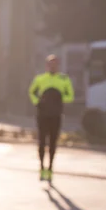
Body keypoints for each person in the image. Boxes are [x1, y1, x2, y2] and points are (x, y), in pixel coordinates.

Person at [28, 54, 74, 183]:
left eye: (55, 64)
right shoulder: (40, 79)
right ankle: (42, 168)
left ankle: (50, 168)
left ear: (58, 66)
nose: (52, 66)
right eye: (50, 64)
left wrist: (59, 100)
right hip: (42, 115)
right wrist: (38, 102)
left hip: (56, 115)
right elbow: (31, 92)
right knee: (42, 142)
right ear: (46, 66)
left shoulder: (64, 79)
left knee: (53, 143)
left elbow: (70, 96)